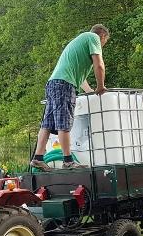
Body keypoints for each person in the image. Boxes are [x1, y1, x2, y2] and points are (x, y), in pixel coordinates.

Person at [30, 24, 110, 171]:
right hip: (64, 84)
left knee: (47, 123)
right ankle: (68, 161)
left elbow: (81, 79)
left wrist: (90, 91)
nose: (102, 46)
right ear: (103, 36)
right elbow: (99, 65)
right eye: (104, 42)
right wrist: (101, 86)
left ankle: (38, 158)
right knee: (64, 122)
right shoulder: (93, 37)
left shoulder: (80, 42)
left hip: (54, 83)